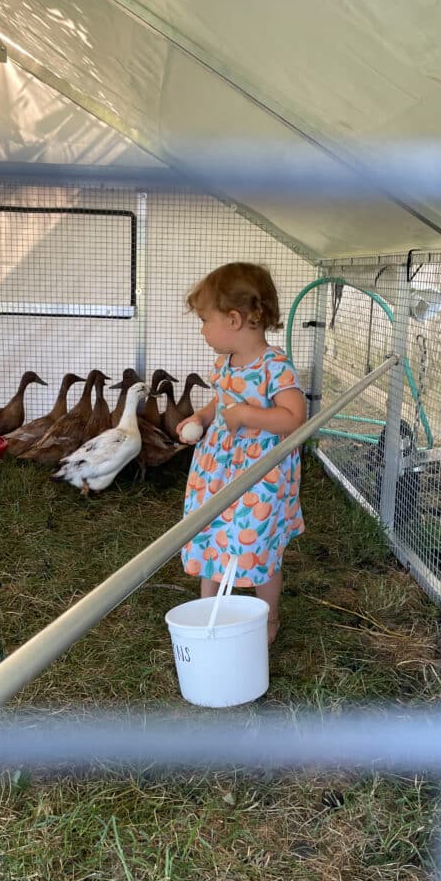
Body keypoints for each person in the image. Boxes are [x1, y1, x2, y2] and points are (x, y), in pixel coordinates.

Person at [176, 262, 306, 644]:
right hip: (218, 467)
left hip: (261, 471)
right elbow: (222, 402)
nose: (202, 330)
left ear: (234, 319)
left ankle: (268, 619)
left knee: (257, 539)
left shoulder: (275, 366)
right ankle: (207, 610)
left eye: (205, 320)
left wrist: (248, 414)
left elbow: (295, 418)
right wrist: (201, 415)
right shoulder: (225, 363)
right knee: (213, 527)